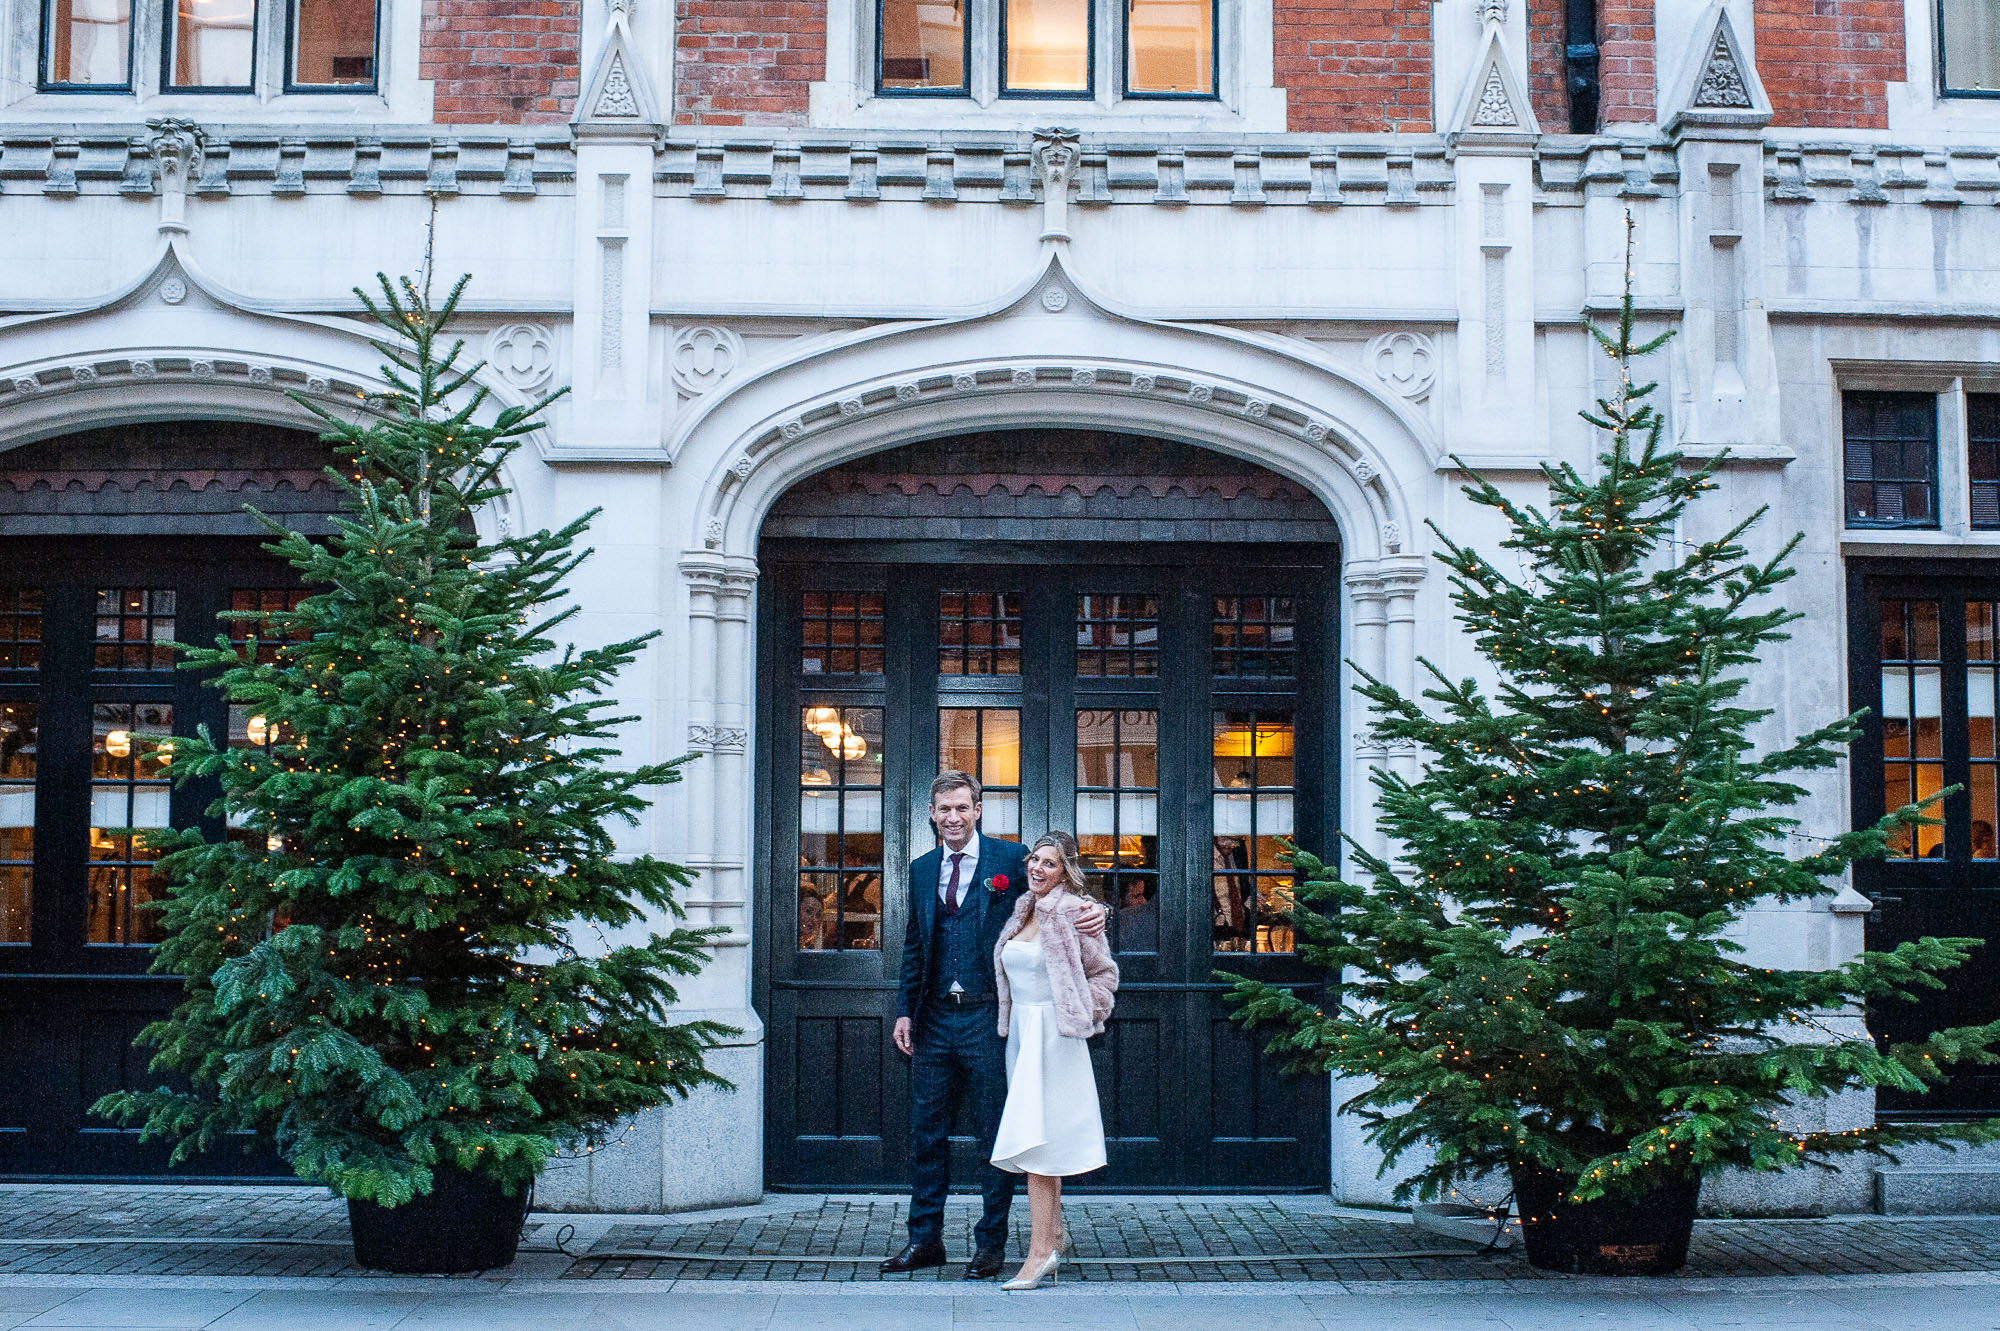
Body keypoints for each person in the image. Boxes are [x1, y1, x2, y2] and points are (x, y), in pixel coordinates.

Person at [881, 772, 1107, 1279]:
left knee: (993, 1136)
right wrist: (904, 1010)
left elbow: (1060, 890)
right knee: (926, 1134)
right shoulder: (920, 870)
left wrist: (1097, 910)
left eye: (963, 807)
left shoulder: (1011, 859)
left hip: (989, 1018)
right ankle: (925, 1241)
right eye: (945, 809)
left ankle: (991, 1245)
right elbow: (914, 946)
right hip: (935, 1016)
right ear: (933, 814)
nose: (954, 818)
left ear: (978, 809)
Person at [990, 831, 1119, 1291]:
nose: (1038, 868)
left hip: (1055, 1038)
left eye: (1050, 863)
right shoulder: (1023, 907)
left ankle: (1039, 1254)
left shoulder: (1073, 911)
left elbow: (1104, 974)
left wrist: (1087, 1012)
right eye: (1035, 860)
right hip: (1022, 1036)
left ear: (1066, 870)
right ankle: (1056, 1235)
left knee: (1038, 1147)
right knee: (1040, 1139)